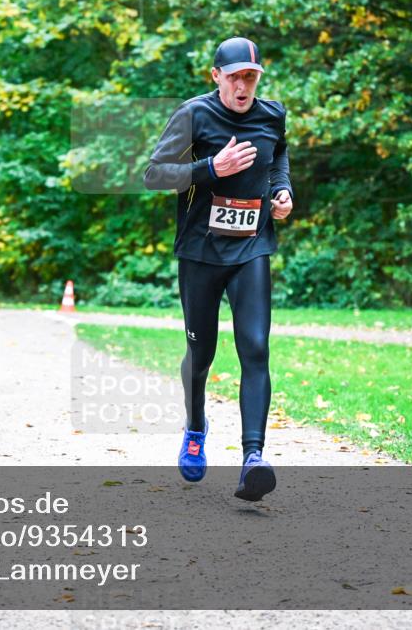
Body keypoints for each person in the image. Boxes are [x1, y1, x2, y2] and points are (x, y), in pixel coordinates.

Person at [144, 36, 294, 502]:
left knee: (255, 347)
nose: (243, 86)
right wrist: (212, 166)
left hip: (251, 247)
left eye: (251, 77)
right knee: (201, 355)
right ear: (216, 77)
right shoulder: (194, 114)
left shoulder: (273, 115)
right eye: (234, 78)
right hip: (200, 253)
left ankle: (254, 458)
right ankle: (195, 425)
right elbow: (153, 173)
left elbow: (279, 157)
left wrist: (282, 192)